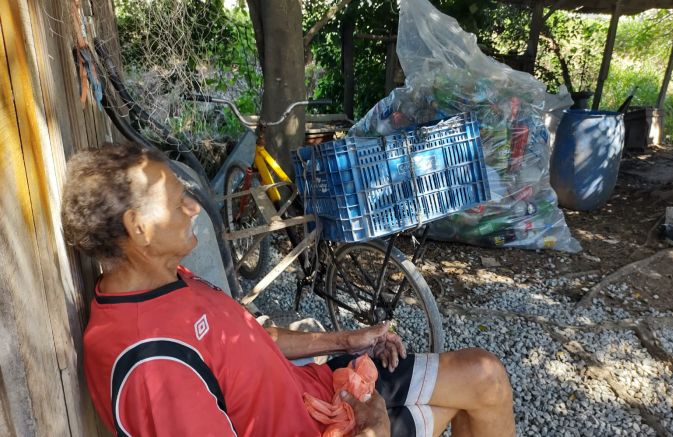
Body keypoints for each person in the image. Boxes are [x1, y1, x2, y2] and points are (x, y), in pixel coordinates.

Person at [61, 142, 516, 437]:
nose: (193, 207)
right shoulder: (151, 363)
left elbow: (248, 341)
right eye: (178, 199)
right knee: (462, 404)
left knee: (485, 374)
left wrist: (347, 340)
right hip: (325, 425)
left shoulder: (164, 279)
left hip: (320, 389)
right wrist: (373, 425)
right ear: (138, 228)